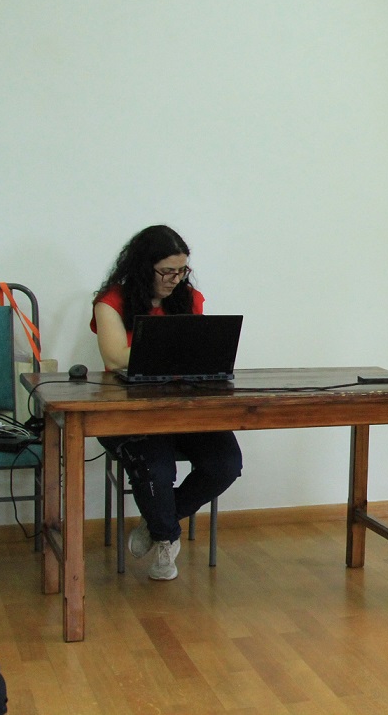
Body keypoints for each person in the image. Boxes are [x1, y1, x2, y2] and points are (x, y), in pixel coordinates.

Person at [91, 224, 243, 581]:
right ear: (144, 267)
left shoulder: (189, 298)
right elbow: (114, 356)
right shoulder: (111, 301)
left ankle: (160, 521)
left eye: (181, 270)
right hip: (129, 411)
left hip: (184, 407)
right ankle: (166, 536)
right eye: (167, 271)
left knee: (226, 463)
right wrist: (175, 349)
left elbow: (198, 351)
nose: (175, 279)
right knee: (157, 469)